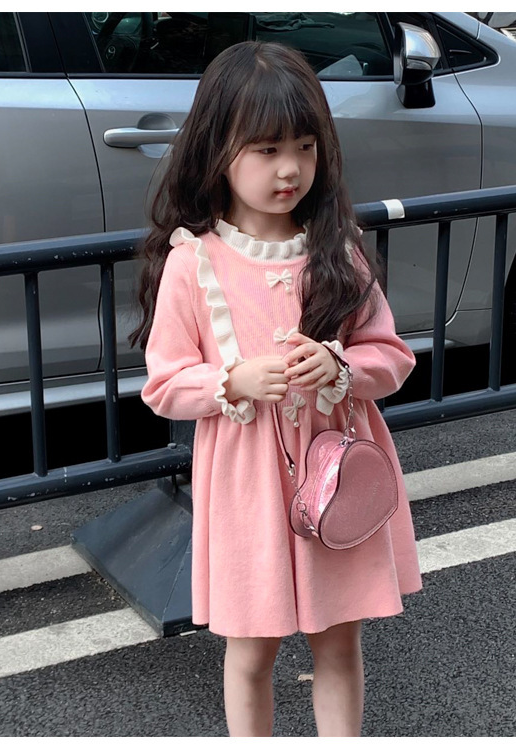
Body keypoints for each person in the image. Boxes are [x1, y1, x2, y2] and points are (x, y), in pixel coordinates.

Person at [130, 41, 422, 738]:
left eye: (304, 146)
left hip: (334, 472)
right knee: (251, 650)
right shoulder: (194, 262)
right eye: (265, 150)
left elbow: (391, 355)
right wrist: (231, 380)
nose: (289, 168)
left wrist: (342, 367)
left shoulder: (337, 248)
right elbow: (164, 383)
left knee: (339, 640)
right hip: (246, 485)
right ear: (217, 151)